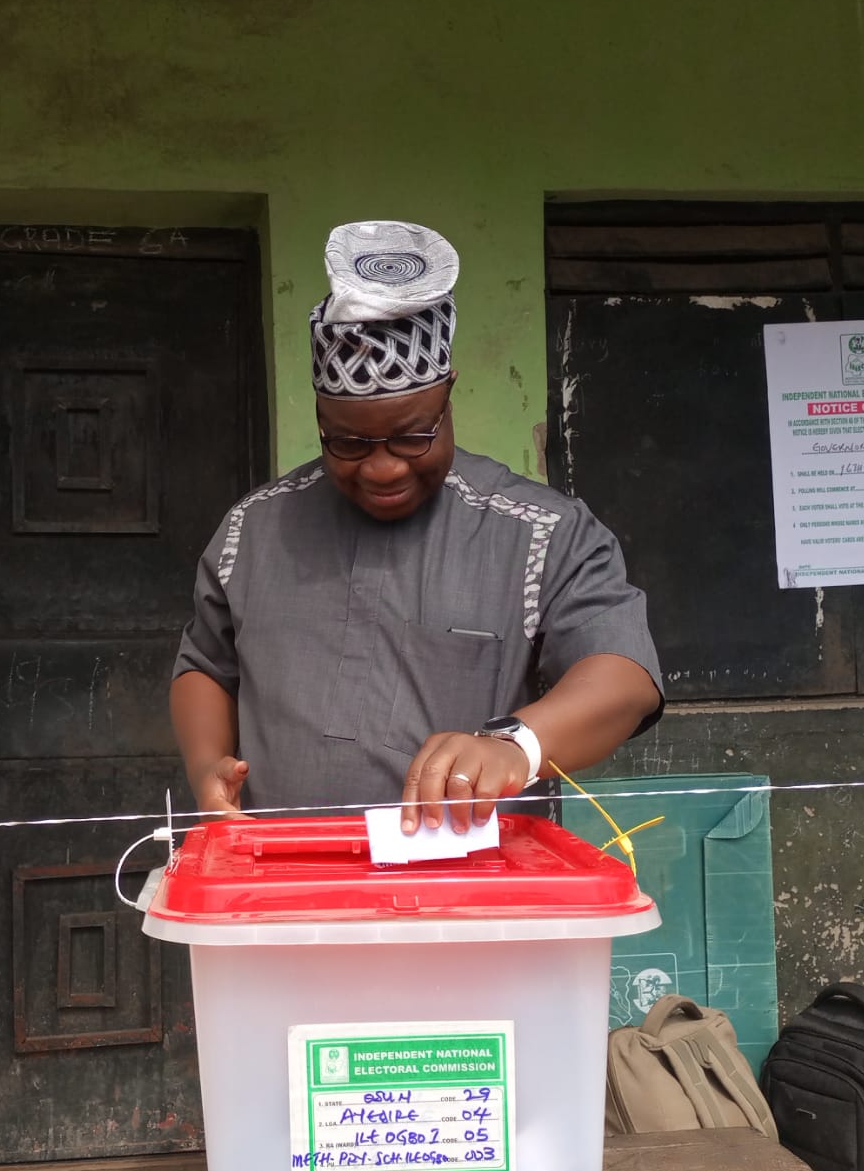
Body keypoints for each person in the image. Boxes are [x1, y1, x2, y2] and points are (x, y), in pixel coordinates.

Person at [170, 220, 662, 836]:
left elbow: (625, 676)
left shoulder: (541, 533)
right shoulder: (254, 528)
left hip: (475, 886)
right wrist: (207, 766)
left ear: (448, 395)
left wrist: (518, 745)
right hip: (282, 880)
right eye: (348, 442)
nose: (382, 468)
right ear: (320, 416)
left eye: (412, 436)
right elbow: (205, 666)